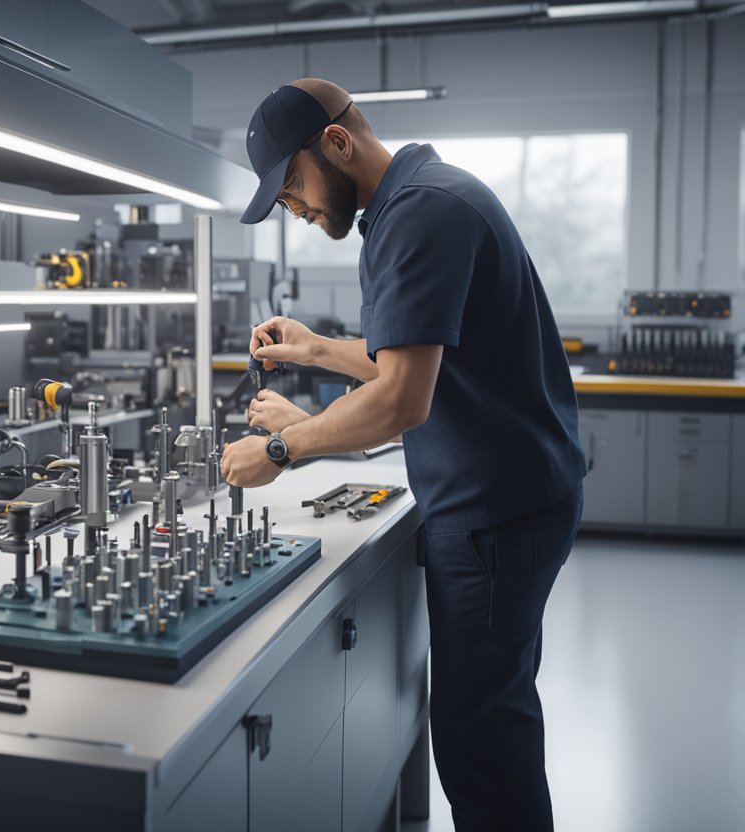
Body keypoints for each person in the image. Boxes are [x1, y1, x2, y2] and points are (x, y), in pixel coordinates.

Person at [221, 77, 587, 832]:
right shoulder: (423, 196)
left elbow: (399, 401)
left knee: (481, 739)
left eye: (291, 186)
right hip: (511, 500)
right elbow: (417, 362)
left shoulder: (418, 217)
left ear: (337, 144)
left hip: (495, 513)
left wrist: (284, 446)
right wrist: (318, 351)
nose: (295, 209)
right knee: (492, 721)